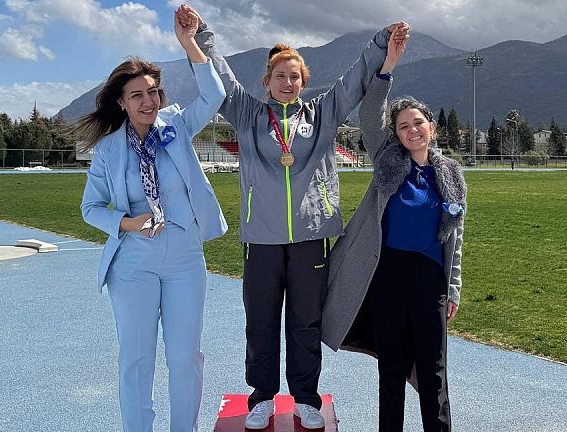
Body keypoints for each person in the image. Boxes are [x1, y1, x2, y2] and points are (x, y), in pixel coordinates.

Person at [176, 5, 408, 430]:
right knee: (261, 323)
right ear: (266, 81)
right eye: (280, 76)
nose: (287, 82)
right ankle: (262, 397)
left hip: (311, 237)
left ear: (304, 82)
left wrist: (381, 44)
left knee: (306, 323)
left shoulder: (322, 114)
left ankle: (305, 398)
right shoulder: (247, 113)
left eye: (295, 77)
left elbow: (355, 79)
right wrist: (199, 35)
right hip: (261, 239)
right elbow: (220, 76)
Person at [76, 9, 226, 432]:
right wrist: (129, 223)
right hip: (133, 260)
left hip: (184, 255)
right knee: (136, 357)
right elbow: (91, 208)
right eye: (137, 95)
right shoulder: (108, 150)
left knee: (186, 355)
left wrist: (189, 43)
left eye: (153, 92)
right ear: (122, 102)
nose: (148, 101)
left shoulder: (176, 125)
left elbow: (214, 95)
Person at [321, 34, 467, 432]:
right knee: (391, 370)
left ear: (431, 127)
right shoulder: (387, 162)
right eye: (403, 126)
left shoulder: (451, 174)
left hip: (430, 281)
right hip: (387, 276)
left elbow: (455, 242)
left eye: (418, 123)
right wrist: (387, 66)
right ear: (396, 134)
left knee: (434, 370)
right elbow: (370, 113)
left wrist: (453, 288)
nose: (412, 130)